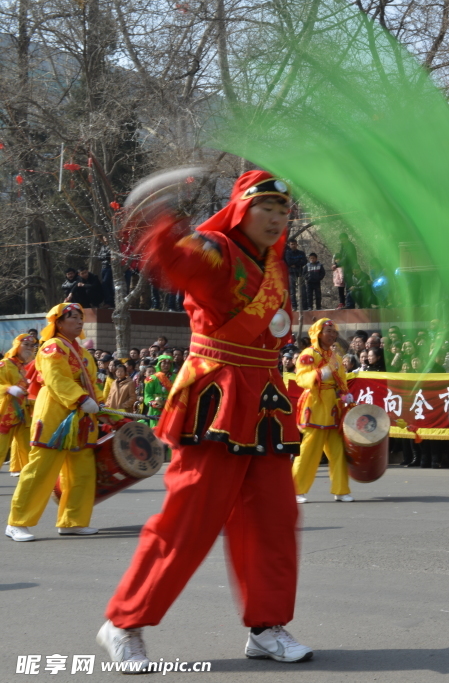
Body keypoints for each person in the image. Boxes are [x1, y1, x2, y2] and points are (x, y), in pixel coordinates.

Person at [99, 171, 311, 669]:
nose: (277, 219)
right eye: (267, 209)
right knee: (189, 519)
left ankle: (266, 625)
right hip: (217, 397)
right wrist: (160, 217)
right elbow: (176, 260)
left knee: (275, 519)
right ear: (241, 210)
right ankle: (124, 624)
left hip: (265, 402)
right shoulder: (216, 250)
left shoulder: (276, 266)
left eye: (283, 212)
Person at [6, 304, 100, 542]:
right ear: (59, 323)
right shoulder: (52, 347)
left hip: (81, 417)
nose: (79, 322)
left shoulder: (83, 352)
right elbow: (55, 378)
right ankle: (17, 522)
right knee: (40, 470)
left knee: (82, 471)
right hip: (55, 415)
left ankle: (72, 521)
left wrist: (99, 402)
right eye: (74, 318)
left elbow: (91, 383)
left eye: (81, 318)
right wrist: (81, 399)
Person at [293, 318, 354, 503]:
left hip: (333, 407)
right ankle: (296, 490)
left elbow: (341, 379)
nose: (332, 335)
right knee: (309, 450)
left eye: (334, 332)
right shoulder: (309, 354)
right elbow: (301, 378)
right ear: (318, 333)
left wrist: (345, 394)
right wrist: (320, 374)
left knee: (338, 451)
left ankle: (341, 489)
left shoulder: (335, 357)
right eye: (328, 332)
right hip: (315, 404)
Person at [0, 334, 35, 476]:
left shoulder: (26, 367)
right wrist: (8, 389)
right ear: (17, 346)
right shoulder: (5, 364)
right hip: (6, 413)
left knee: (28, 448)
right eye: (26, 344)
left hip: (24, 414)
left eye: (32, 345)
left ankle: (29, 477)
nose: (29, 348)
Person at [284, 237, 307, 307]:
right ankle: (294, 306)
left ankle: (304, 306)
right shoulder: (287, 253)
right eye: (291, 244)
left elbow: (304, 262)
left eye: (294, 244)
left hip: (300, 272)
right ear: (289, 245)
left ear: (297, 244)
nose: (293, 245)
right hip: (291, 273)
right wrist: (298, 262)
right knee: (292, 291)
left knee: (303, 290)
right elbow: (289, 262)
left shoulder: (301, 253)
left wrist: (295, 264)